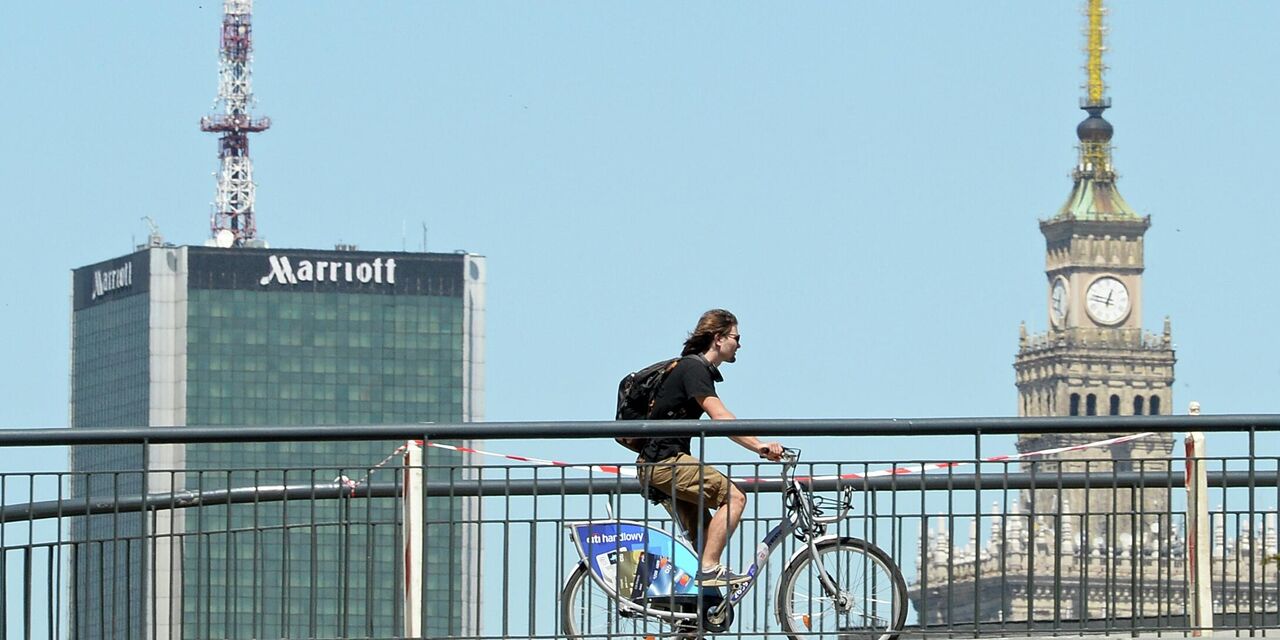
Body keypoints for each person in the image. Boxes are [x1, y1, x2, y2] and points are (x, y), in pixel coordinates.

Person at [636, 309, 784, 587]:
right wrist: (760, 446)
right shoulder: (694, 369)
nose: (740, 344)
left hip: (657, 464)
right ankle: (709, 568)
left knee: (704, 539)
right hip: (665, 464)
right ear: (718, 338)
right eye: (736, 338)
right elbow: (721, 418)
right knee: (735, 498)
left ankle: (695, 617)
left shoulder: (689, 368)